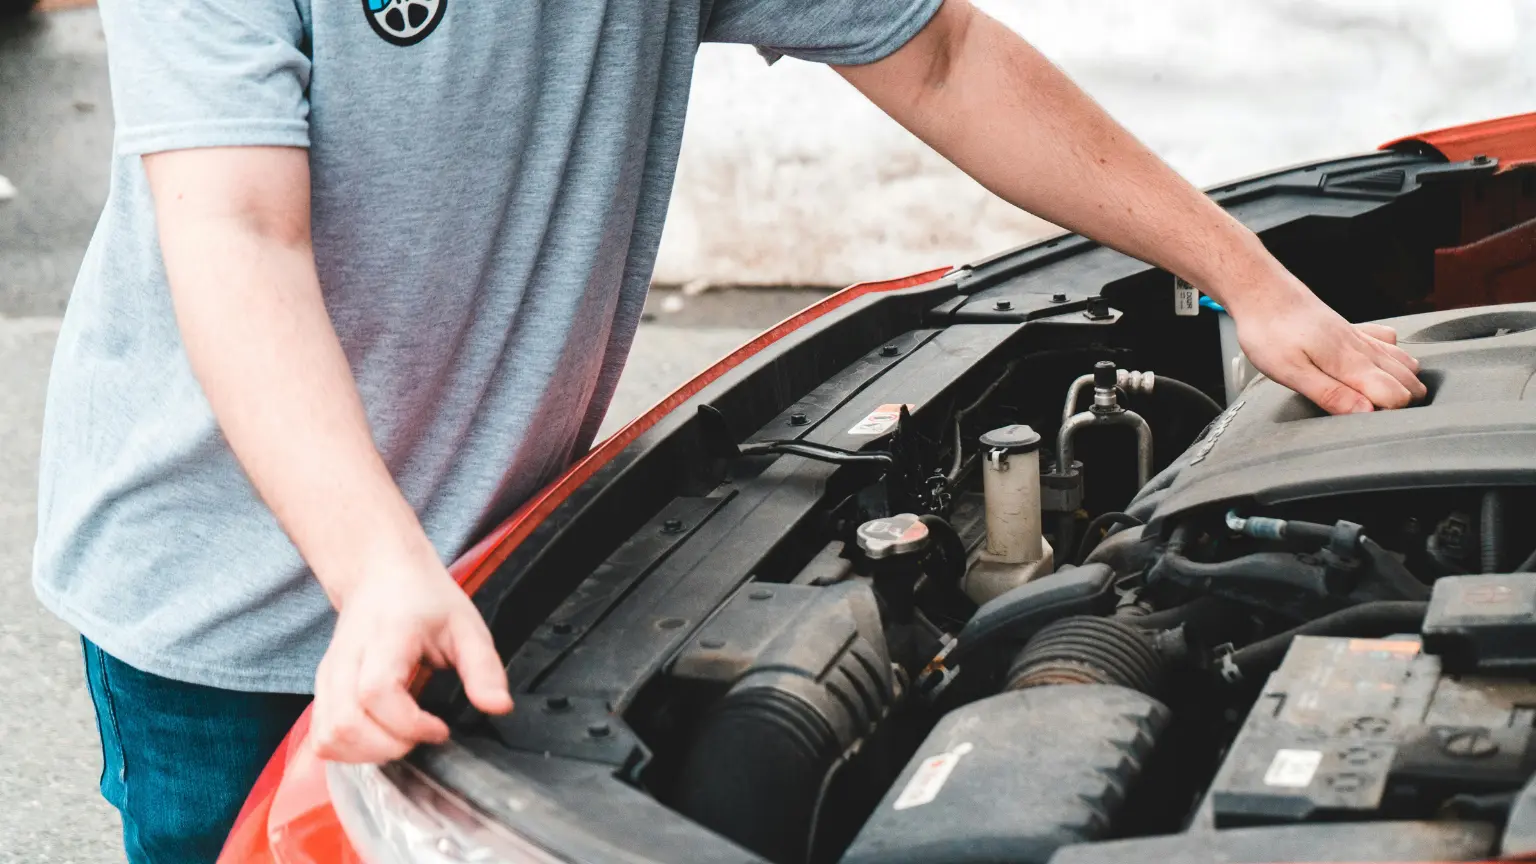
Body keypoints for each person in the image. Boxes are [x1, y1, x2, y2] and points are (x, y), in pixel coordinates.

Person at [32, 0, 1426, 860]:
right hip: (239, 594)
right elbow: (236, 229)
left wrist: (1248, 277)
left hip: (500, 561)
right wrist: (375, 568)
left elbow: (937, 53)